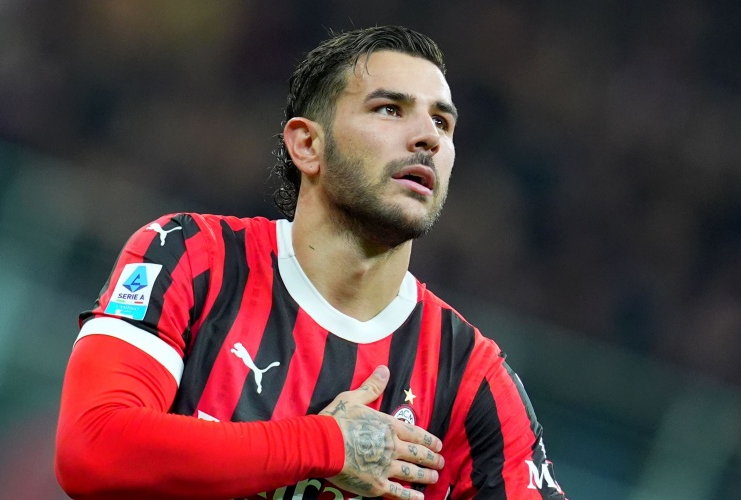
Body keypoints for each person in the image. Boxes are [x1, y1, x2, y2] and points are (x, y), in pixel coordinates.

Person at [55, 25, 567, 500]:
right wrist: (326, 444)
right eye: (390, 109)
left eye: (442, 121)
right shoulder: (192, 255)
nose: (428, 137)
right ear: (307, 144)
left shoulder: (469, 375)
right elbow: (91, 448)